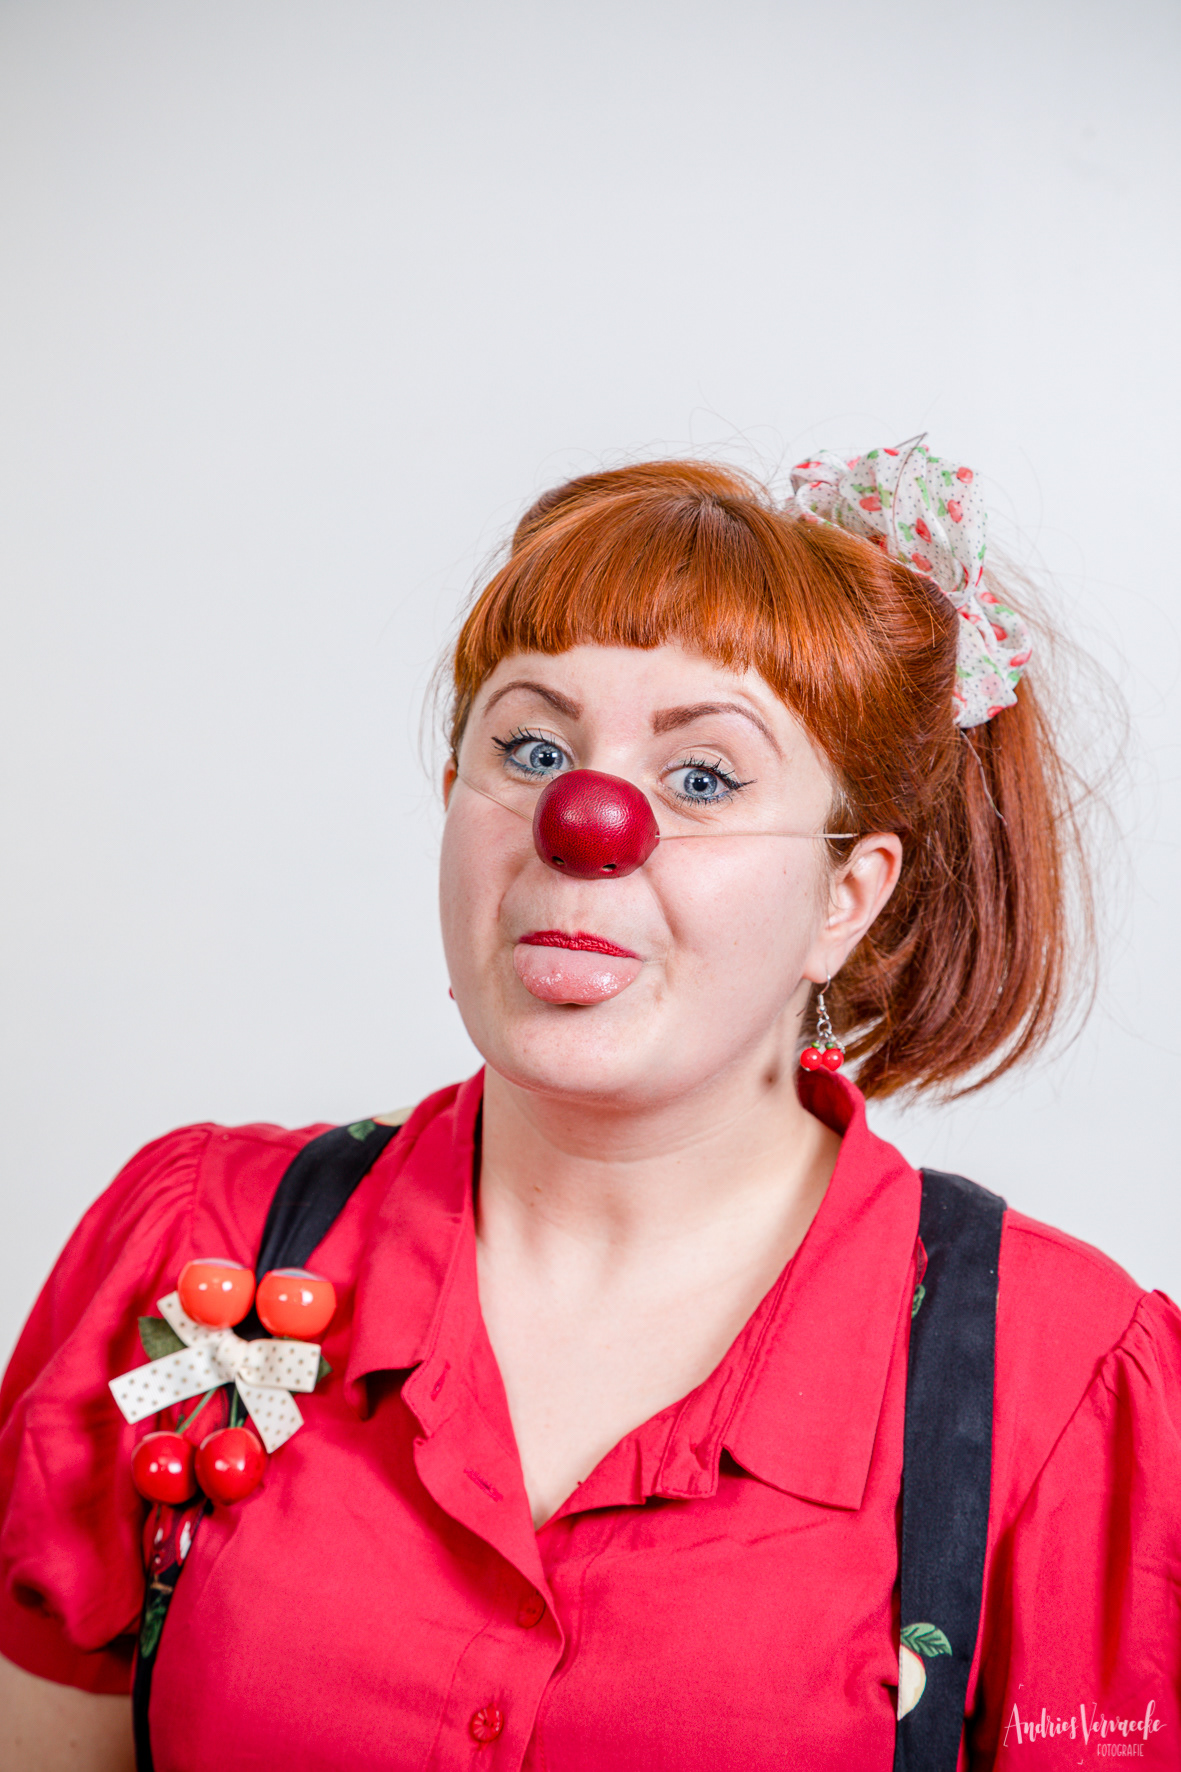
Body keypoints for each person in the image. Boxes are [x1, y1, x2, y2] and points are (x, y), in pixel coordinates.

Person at [1, 444, 1178, 1772]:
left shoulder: (1062, 1388)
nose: (586, 820)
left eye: (703, 777)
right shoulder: (195, 1245)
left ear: (845, 899)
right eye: (533, 747)